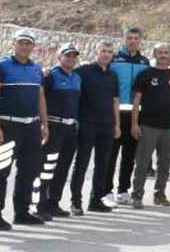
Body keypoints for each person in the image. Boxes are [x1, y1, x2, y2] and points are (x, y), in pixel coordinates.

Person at [0, 29, 49, 229]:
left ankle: (21, 212)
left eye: (28, 43)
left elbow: (40, 97)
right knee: (1, 172)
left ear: (33, 46)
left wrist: (44, 124)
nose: (25, 46)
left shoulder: (36, 68)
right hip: (8, 126)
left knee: (28, 171)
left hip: (31, 127)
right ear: (14, 44)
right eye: (21, 42)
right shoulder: (1, 66)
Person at [129, 43, 170, 209]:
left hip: (169, 127)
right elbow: (136, 101)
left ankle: (160, 194)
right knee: (143, 163)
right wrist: (134, 124)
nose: (164, 55)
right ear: (155, 54)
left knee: (164, 164)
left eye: (166, 52)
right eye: (160, 52)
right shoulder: (145, 74)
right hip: (148, 125)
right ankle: (137, 195)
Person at [71, 40, 119, 215]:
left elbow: (115, 101)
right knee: (82, 163)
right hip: (86, 123)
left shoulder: (113, 75)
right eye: (103, 51)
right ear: (96, 52)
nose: (106, 54)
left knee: (103, 165)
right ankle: (75, 202)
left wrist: (117, 125)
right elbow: (65, 73)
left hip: (107, 125)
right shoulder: (83, 72)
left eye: (109, 51)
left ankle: (96, 200)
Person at [107, 27, 150, 207]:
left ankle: (123, 190)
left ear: (141, 41)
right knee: (110, 155)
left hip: (135, 117)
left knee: (129, 156)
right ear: (124, 39)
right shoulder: (113, 59)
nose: (132, 41)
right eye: (129, 38)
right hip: (114, 115)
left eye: (136, 38)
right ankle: (105, 190)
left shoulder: (144, 62)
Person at [37, 43, 81, 220]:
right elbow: (40, 99)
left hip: (70, 128)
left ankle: (53, 202)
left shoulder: (77, 77)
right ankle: (40, 205)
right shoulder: (50, 75)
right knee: (47, 166)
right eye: (67, 55)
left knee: (63, 167)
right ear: (59, 57)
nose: (70, 59)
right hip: (53, 126)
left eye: (73, 56)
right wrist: (42, 124)